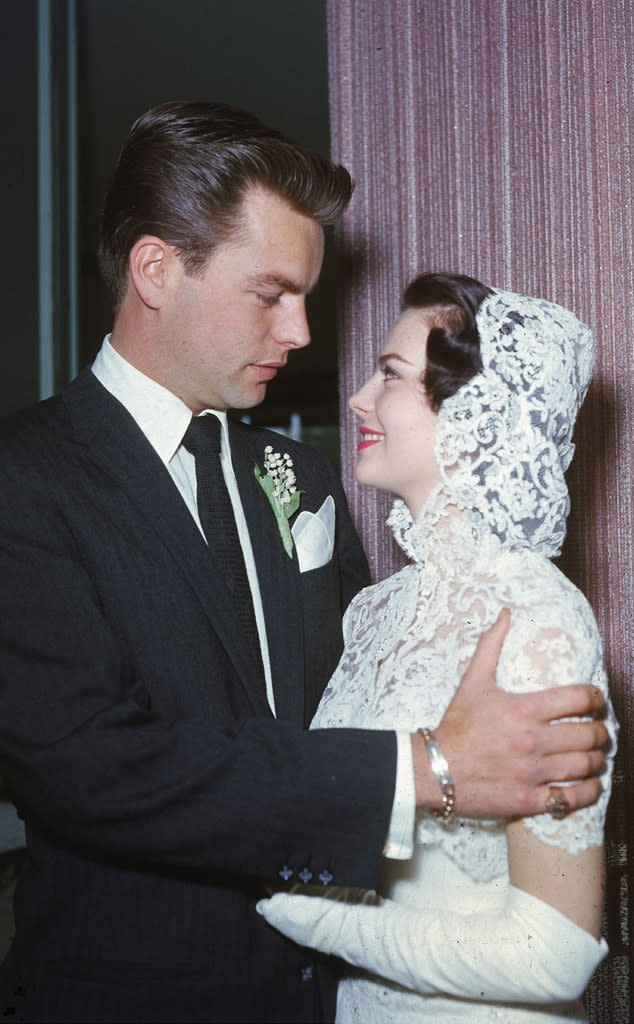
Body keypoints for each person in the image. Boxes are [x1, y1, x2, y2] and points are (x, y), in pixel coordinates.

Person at [0, 104, 608, 1024]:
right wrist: (431, 770)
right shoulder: (26, 475)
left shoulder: (304, 479)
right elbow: (88, 766)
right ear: (157, 271)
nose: (302, 335)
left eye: (307, 297)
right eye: (269, 293)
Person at [259, 273, 618, 1023]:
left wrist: (308, 917)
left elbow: (552, 954)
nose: (358, 397)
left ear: (475, 411)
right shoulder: (373, 610)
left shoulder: (538, 617)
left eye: (389, 373)